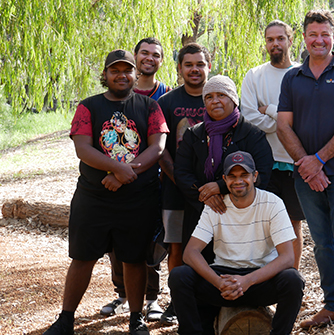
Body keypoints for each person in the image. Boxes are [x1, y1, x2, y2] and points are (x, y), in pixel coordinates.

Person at [43, 49, 168, 335]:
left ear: (136, 75)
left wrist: (125, 174)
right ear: (105, 75)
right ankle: (65, 319)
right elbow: (83, 148)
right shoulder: (88, 107)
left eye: (127, 70)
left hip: (138, 198)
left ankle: (136, 319)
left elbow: (157, 147)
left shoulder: (150, 107)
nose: (122, 75)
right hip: (93, 197)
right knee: (83, 257)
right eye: (115, 70)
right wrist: (116, 169)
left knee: (134, 258)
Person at [276, 9, 334, 335]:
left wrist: (320, 159)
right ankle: (333, 305)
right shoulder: (292, 77)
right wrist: (307, 163)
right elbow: (282, 125)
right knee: (322, 243)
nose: (319, 40)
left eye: (325, 34)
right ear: (303, 37)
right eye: (313, 34)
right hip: (305, 173)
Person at [169, 151, 304, 335]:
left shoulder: (273, 204)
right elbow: (190, 252)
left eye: (244, 175)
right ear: (224, 179)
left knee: (293, 280)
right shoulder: (216, 206)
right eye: (232, 176)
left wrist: (247, 281)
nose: (238, 181)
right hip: (223, 279)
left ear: (255, 177)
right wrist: (218, 282)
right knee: (179, 276)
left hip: (258, 279)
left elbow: (288, 258)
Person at [100, 37, 170, 323]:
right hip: (113, 180)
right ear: (135, 57)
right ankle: (123, 295)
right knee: (116, 242)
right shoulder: (117, 93)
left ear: (161, 61)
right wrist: (114, 173)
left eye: (155, 55)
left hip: (151, 180)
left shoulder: (166, 96)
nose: (149, 59)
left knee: (148, 241)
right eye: (144, 53)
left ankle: (151, 298)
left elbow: (163, 144)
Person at [174, 75, 273, 255]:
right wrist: (206, 196)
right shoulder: (193, 134)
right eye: (209, 97)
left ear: (234, 100)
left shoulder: (252, 135)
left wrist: (220, 188)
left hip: (240, 215)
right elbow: (181, 172)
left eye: (221, 95)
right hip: (199, 212)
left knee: (236, 267)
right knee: (196, 269)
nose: (215, 101)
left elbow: (262, 174)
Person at [154, 42, 212, 325]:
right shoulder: (166, 103)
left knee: (211, 245)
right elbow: (161, 148)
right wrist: (179, 178)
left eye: (200, 64)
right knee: (176, 246)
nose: (194, 69)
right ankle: (177, 301)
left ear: (208, 67)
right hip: (175, 189)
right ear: (179, 69)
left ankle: (208, 300)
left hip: (212, 191)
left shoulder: (217, 98)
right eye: (188, 65)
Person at [240, 20, 305, 270]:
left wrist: (269, 110)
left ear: (290, 39)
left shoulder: (302, 74)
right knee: (261, 224)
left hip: (294, 161)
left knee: (291, 224)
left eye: (280, 38)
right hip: (263, 161)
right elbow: (248, 117)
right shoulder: (255, 75)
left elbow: (304, 118)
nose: (275, 44)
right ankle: (261, 282)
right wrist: (283, 120)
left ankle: (292, 279)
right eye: (270, 39)